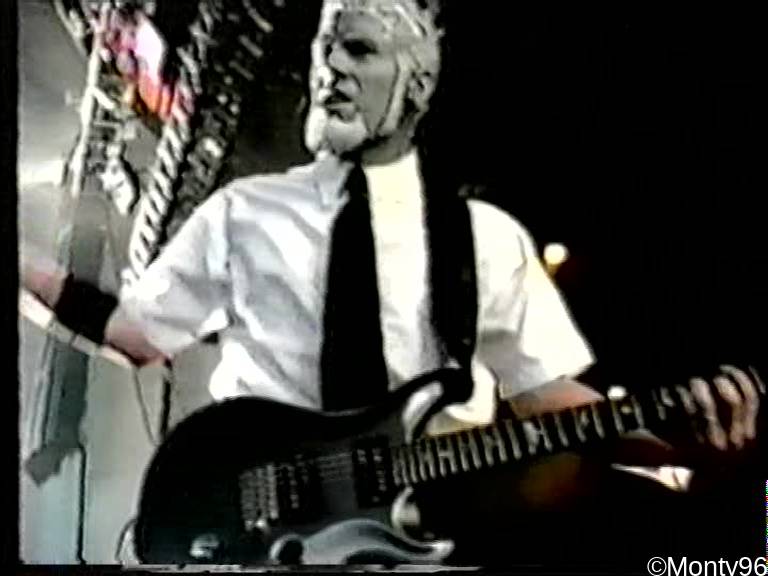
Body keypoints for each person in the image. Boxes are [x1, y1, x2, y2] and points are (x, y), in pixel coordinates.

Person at [23, 0, 762, 564]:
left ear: (416, 86)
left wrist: (681, 446)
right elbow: (132, 333)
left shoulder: (484, 238)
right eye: (323, 45)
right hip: (258, 530)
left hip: (412, 539)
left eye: (358, 49)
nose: (327, 68)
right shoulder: (242, 213)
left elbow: (548, 399)